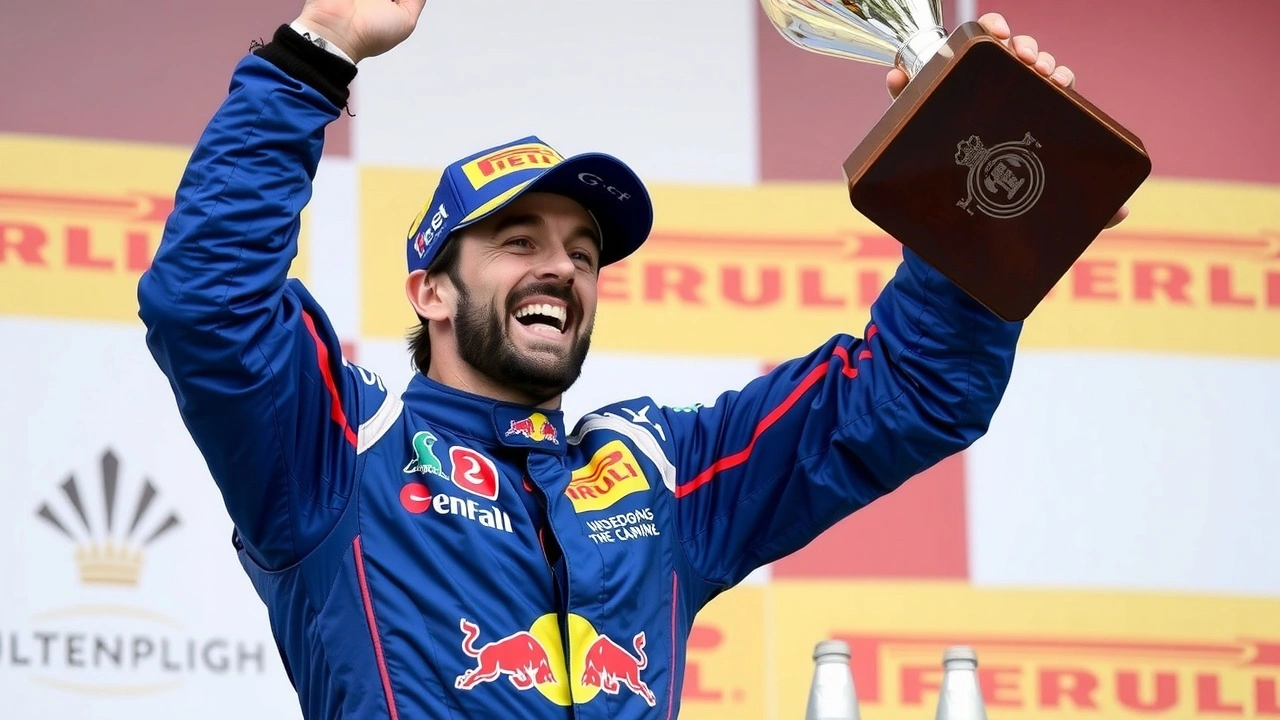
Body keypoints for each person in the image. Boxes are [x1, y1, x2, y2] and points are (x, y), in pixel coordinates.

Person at [137, 1, 1125, 718]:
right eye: (516, 242)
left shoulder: (659, 473)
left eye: (581, 252)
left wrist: (993, 205)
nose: (559, 269)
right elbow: (205, 307)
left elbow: (905, 396)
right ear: (428, 291)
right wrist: (315, 53)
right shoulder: (337, 452)